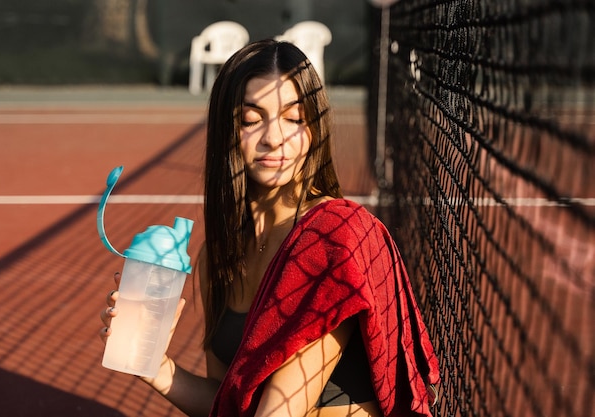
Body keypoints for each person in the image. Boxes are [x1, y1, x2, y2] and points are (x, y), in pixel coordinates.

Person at [100, 39, 439, 417]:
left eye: (294, 118)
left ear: (315, 130)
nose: (274, 138)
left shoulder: (334, 236)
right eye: (250, 119)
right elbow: (227, 402)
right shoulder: (220, 254)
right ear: (228, 131)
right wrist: (154, 365)